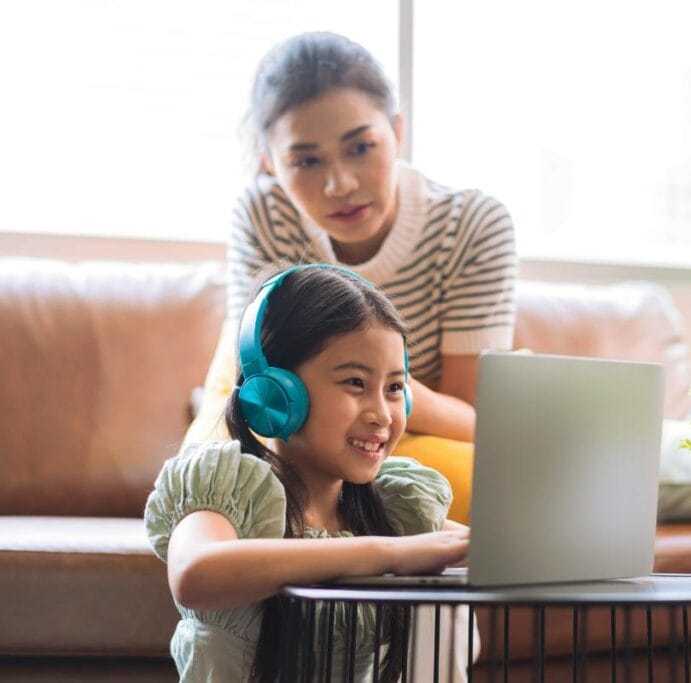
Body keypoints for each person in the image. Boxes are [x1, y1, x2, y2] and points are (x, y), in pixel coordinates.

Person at [184, 32, 517, 523]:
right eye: (306, 161)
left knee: (493, 472)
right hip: (294, 418)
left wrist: (380, 389)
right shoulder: (263, 212)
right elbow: (263, 393)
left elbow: (472, 418)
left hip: (421, 419)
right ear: (269, 163)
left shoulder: (471, 225)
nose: (340, 184)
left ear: (397, 132)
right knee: (218, 471)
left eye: (361, 147)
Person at [145, 265, 470, 682]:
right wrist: (389, 552)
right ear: (277, 394)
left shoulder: (392, 506)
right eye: (355, 382)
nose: (382, 415)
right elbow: (194, 574)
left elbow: (471, 547)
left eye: (393, 389)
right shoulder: (227, 488)